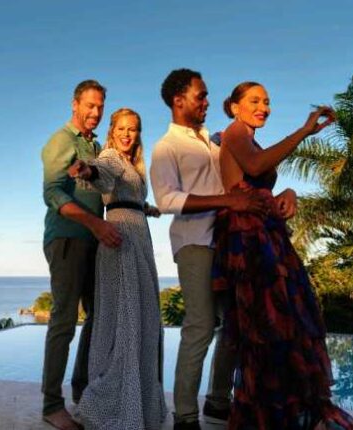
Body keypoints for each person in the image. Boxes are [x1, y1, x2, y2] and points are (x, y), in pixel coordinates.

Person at [212, 81, 353, 430]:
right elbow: (255, 167)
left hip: (266, 231)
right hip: (248, 236)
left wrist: (289, 191)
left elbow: (261, 182)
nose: (263, 107)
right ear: (235, 107)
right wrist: (304, 131)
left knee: (287, 322)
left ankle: (294, 415)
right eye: (254, 101)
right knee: (265, 325)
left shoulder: (250, 140)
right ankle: (267, 418)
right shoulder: (233, 132)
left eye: (266, 101)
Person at [150, 69, 268, 430]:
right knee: (201, 325)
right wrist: (227, 201)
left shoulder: (215, 141)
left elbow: (246, 176)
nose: (206, 102)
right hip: (194, 243)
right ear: (178, 101)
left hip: (227, 242)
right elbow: (167, 199)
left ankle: (218, 402)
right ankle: (185, 416)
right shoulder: (165, 147)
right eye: (200, 96)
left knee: (234, 325)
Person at [68, 108, 167, 430]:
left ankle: (138, 401)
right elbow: (101, 173)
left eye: (133, 129)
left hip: (139, 238)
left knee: (141, 319)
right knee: (124, 320)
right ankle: (109, 402)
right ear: (113, 131)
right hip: (120, 240)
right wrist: (86, 170)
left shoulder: (133, 165)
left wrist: (147, 208)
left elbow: (128, 195)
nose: (127, 134)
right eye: (122, 128)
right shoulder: (111, 156)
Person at [41, 79, 122, 430]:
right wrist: (94, 223)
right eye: (90, 105)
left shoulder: (95, 146)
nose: (96, 112)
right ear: (75, 104)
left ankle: (82, 390)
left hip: (93, 241)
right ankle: (51, 405)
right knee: (63, 321)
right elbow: (53, 193)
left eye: (100, 106)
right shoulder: (62, 140)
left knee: (98, 315)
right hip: (67, 239)